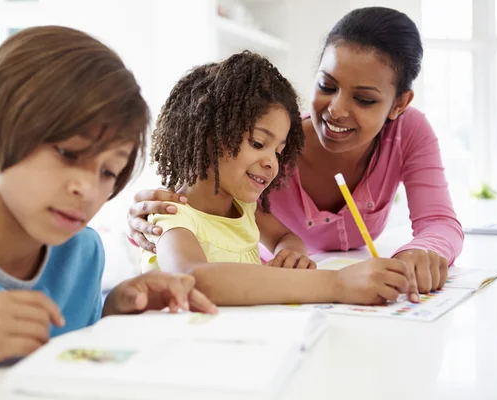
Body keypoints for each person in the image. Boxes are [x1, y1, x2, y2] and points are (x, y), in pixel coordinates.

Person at [0, 26, 215, 381]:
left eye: (108, 171)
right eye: (68, 153)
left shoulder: (84, 252)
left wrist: (113, 312)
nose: (88, 190)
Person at [128, 7, 464, 300]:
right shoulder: (232, 176)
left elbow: (439, 222)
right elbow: (193, 250)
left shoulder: (408, 132)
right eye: (327, 86)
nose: (336, 110)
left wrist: (423, 251)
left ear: (400, 103)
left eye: (364, 99)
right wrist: (333, 284)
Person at [140, 50, 412, 307]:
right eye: (258, 143)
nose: (272, 163)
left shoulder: (244, 209)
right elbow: (193, 279)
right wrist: (335, 284)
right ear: (208, 136)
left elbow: (286, 237)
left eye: (279, 152)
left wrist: (290, 253)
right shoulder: (172, 216)